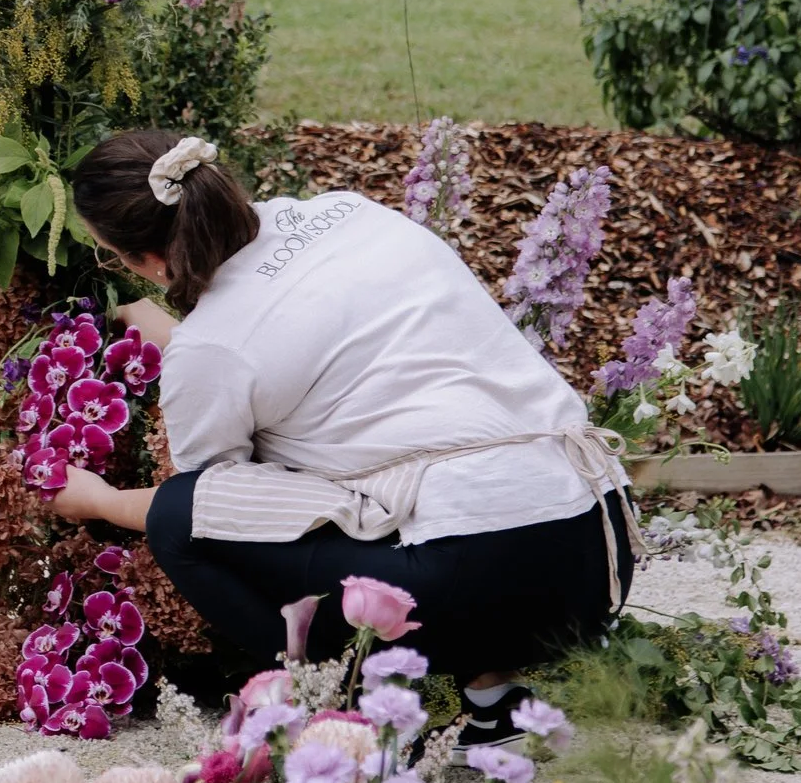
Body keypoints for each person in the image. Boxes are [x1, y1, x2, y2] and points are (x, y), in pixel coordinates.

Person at [48, 128, 633, 735]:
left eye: (110, 255)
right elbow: (298, 353)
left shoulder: (211, 349)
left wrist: (105, 502)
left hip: (478, 588)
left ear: (149, 262)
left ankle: (348, 712)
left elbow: (221, 502)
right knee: (425, 466)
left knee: (178, 519)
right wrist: (180, 335)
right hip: (597, 552)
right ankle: (494, 701)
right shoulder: (345, 212)